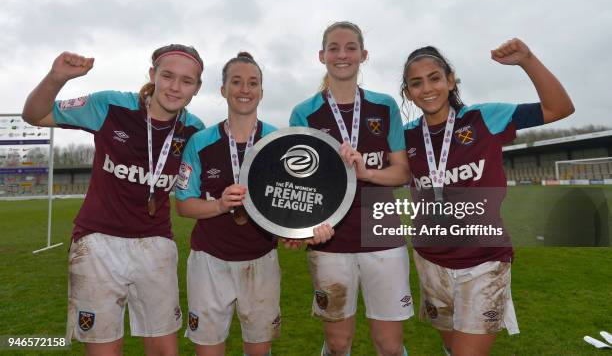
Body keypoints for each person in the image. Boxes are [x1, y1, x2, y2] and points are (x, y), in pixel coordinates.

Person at [22, 45, 205, 356]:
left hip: (156, 243)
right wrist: (56, 78)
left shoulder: (194, 130)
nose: (175, 87)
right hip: (97, 243)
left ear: (197, 88)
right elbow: (35, 115)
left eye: (187, 81)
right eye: (168, 76)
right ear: (153, 75)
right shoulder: (110, 105)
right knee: (103, 350)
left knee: (164, 349)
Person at [400, 38, 574, 356]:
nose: (427, 88)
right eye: (416, 83)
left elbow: (559, 108)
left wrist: (528, 60)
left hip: (484, 261)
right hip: (430, 261)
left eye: (435, 78)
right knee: (452, 348)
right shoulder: (406, 135)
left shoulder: (484, 118)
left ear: (450, 80)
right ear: (408, 91)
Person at [175, 52, 332, 356]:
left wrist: (300, 232)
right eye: (236, 82)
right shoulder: (201, 141)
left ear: (261, 91)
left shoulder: (280, 140)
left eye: (253, 83)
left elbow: (296, 202)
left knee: (259, 351)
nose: (245, 89)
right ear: (223, 90)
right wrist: (220, 205)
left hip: (260, 260)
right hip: (209, 261)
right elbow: (184, 205)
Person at [289, 21, 413, 356]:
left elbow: (401, 172)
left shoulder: (384, 106)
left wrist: (367, 172)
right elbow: (301, 185)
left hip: (382, 236)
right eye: (334, 48)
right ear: (322, 55)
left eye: (350, 48)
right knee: (338, 343)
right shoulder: (304, 112)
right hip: (331, 239)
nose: (342, 55)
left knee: (389, 345)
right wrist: (302, 229)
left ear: (363, 55)